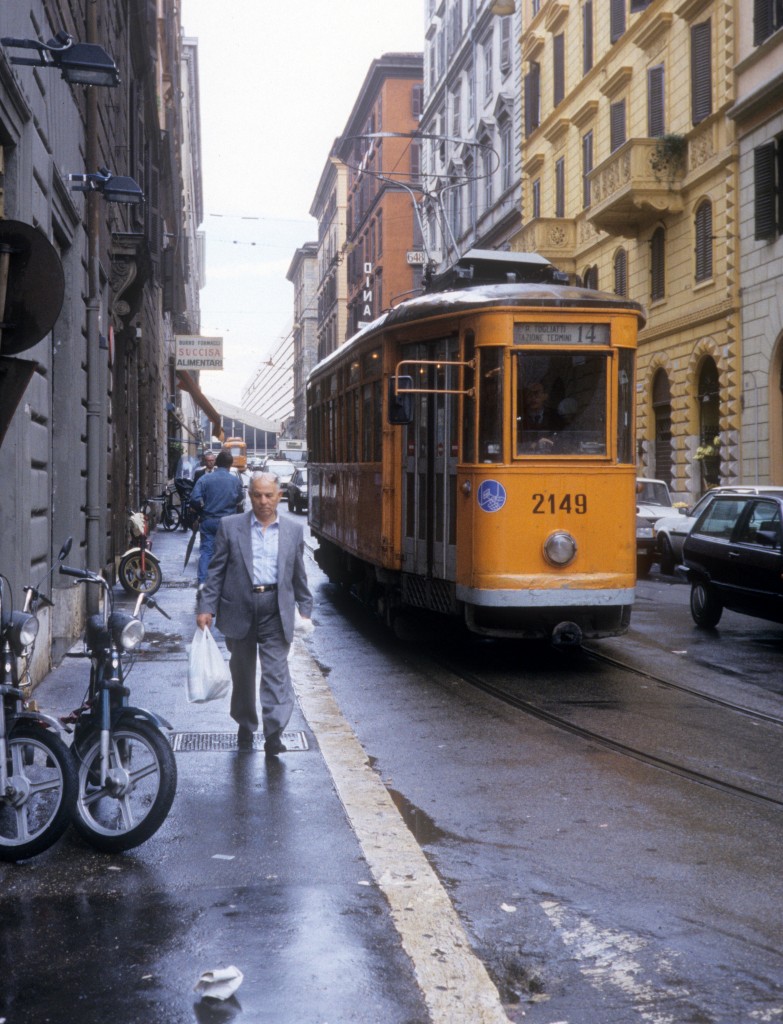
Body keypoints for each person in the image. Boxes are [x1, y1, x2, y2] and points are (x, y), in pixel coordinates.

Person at [195, 472, 313, 755]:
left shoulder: (293, 531)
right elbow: (216, 572)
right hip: (239, 609)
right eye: (257, 495)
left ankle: (274, 733)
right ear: (249, 496)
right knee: (243, 674)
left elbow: (298, 574)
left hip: (275, 609)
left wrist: (305, 609)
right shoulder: (230, 526)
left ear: (279, 496)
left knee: (276, 674)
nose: (263, 501)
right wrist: (206, 607)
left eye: (269, 495)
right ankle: (245, 723)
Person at [190, 450, 244, 591]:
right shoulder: (235, 481)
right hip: (228, 522)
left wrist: (201, 510)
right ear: (230, 465)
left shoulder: (205, 479)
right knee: (228, 552)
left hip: (209, 520)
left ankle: (202, 583)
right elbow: (240, 499)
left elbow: (194, 499)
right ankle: (227, 583)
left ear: (216, 463)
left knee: (207, 552)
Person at [518, 381, 565, 452]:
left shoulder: (555, 416)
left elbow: (565, 440)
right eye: (529, 394)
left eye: (536, 393)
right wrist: (532, 444)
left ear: (545, 396)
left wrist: (552, 442)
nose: (532, 397)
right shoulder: (518, 417)